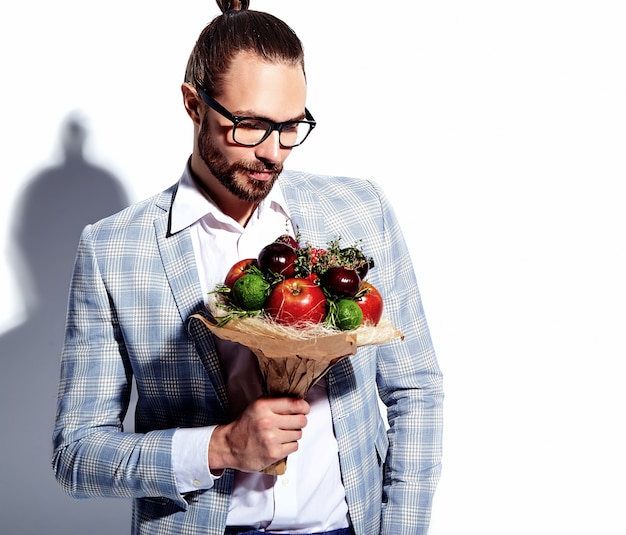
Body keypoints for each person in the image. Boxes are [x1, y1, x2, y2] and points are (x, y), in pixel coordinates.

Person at [52, 1, 444, 534]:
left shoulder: (359, 211)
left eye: (290, 127)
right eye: (251, 126)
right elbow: (77, 455)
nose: (273, 153)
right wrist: (219, 446)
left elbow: (415, 389)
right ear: (194, 105)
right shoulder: (114, 250)